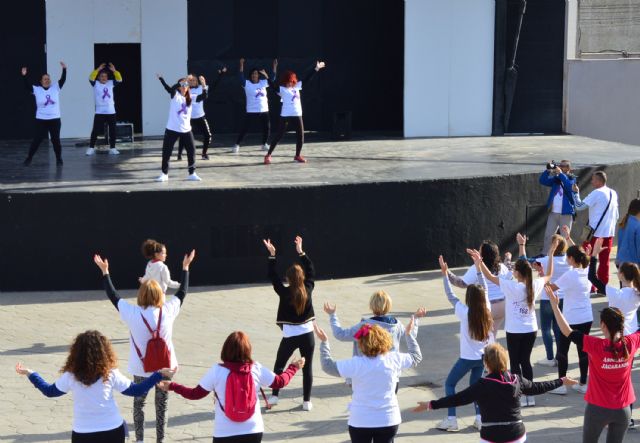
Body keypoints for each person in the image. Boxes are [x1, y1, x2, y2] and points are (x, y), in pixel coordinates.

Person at [93, 249, 195, 443]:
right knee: (162, 405)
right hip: (166, 367)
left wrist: (105, 272)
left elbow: (113, 296)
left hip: (141, 367)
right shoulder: (168, 310)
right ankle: (160, 440)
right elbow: (183, 292)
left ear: (141, 295)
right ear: (159, 294)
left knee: (139, 403)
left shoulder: (132, 313)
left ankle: (139, 440)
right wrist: (185, 267)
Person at [15, 330, 174, 443]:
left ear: (76, 353)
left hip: (83, 433)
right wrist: (158, 374)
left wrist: (31, 374)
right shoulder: (110, 374)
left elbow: (49, 391)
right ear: (104, 352)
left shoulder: (71, 376)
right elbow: (136, 390)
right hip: (113, 430)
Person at [158, 331, 305, 443]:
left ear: (225, 349)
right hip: (253, 430)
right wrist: (293, 367)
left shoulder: (217, 370)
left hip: (224, 432)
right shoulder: (256, 369)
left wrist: (173, 386)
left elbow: (195, 394)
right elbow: (280, 382)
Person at [413, 342, 576, 443]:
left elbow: (458, 399)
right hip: (517, 435)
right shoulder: (516, 379)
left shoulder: (482, 385)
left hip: (492, 436)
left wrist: (430, 405)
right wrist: (561, 381)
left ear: (487, 363)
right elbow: (539, 387)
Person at [471, 238, 556, 407]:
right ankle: (530, 396)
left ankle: (518, 395)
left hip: (514, 330)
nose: (513, 271)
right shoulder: (535, 284)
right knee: (526, 361)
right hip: (530, 330)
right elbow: (549, 275)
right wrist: (551, 253)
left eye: (515, 269)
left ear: (518, 273)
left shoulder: (511, 286)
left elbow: (490, 276)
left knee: (515, 363)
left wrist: (479, 263)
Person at [547, 287, 640, 443]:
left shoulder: (594, 345)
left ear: (603, 325)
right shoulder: (631, 343)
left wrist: (555, 306)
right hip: (623, 409)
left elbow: (567, 331)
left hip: (597, 409)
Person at [317, 320, 422, 443]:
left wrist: (324, 343)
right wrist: (409, 335)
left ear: (361, 344)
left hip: (361, 420)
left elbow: (328, 366)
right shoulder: (394, 359)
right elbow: (416, 356)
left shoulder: (356, 364)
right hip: (388, 419)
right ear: (385, 340)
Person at [436, 254, 494, 432]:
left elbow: (450, 295)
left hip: (467, 358)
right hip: (483, 357)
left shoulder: (465, 312)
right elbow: (484, 288)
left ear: (469, 298)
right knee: (475, 387)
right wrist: (478, 267)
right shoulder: (487, 308)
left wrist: (445, 274)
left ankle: (452, 419)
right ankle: (479, 418)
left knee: (450, 384)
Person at [262, 236, 315, 410]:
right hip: (308, 335)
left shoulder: (284, 293)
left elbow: (273, 276)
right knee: (307, 368)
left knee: (279, 365)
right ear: (302, 278)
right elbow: (311, 269)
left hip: (290, 336)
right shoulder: (308, 288)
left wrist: (272, 255)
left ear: (289, 279)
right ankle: (307, 402)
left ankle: (275, 396)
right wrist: (301, 252)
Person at [324, 290, 426, 365]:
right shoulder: (397, 325)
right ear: (388, 306)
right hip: (391, 373)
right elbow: (410, 335)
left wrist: (332, 315)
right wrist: (416, 318)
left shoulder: (365, 327)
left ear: (371, 306)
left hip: (366, 372)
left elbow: (340, 335)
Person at [545, 244, 592, 395]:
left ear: (571, 258)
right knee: (583, 351)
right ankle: (583, 383)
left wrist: (543, 275)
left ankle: (561, 385)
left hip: (571, 319)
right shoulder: (587, 270)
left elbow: (550, 288)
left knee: (563, 351)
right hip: (587, 317)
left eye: (567, 256)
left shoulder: (570, 275)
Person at [264, 60, 326, 165]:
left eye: (291, 81)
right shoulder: (282, 89)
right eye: (287, 81)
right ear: (284, 81)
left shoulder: (297, 87)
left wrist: (316, 69)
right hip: (286, 115)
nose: (289, 83)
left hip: (297, 114)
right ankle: (268, 155)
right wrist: (267, 77)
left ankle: (297, 155)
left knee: (301, 135)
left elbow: (307, 79)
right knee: (279, 135)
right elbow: (273, 86)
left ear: (293, 80)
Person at [446, 240, 511, 337]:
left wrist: (446, 272)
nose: (478, 251)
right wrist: (508, 258)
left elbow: (461, 283)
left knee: (484, 337)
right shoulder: (501, 267)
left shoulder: (476, 268)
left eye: (480, 250)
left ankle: (489, 351)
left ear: (482, 254)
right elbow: (509, 273)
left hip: (488, 308)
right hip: (502, 307)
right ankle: (493, 351)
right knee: (492, 335)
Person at [531, 231, 571, 367]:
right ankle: (560, 357)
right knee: (558, 327)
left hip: (547, 297)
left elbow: (527, 261)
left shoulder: (545, 260)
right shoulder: (569, 260)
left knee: (546, 328)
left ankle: (549, 358)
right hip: (563, 298)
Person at [575, 171, 619, 287]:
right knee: (604, 261)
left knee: (587, 258)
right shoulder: (613, 193)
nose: (591, 181)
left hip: (595, 234)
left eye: (593, 179)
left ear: (599, 181)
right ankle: (602, 286)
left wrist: (576, 193)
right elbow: (617, 215)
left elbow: (579, 207)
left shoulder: (597, 193)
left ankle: (590, 286)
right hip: (609, 233)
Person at [588, 238, 640, 335]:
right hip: (633, 336)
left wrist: (594, 255)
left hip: (618, 337)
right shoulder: (637, 293)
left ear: (621, 275)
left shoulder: (615, 293)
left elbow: (592, 277)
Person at [155, 74, 200, 182]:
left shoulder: (191, 98)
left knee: (191, 151)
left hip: (186, 130)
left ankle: (192, 173)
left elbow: (204, 96)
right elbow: (170, 88)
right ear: (179, 87)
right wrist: (183, 80)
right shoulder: (175, 96)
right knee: (167, 152)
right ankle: (164, 174)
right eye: (182, 85)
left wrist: (203, 85)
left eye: (186, 85)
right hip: (172, 129)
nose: (184, 86)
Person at [21, 62, 67, 166]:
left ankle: (59, 159)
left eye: (48, 78)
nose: (47, 80)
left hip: (55, 119)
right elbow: (27, 86)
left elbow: (63, 80)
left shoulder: (55, 87)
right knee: (37, 140)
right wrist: (24, 76)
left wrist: (64, 70)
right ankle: (29, 158)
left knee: (56, 141)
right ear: (41, 81)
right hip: (41, 120)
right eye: (45, 79)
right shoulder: (37, 90)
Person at [177, 68, 227, 161]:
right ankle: (179, 154)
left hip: (200, 116)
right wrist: (186, 79)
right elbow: (177, 86)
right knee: (183, 136)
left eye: (195, 80)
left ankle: (204, 153)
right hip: (188, 118)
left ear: (197, 82)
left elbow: (214, 86)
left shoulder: (201, 88)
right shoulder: (185, 89)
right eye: (191, 80)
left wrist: (221, 75)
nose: (193, 82)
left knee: (208, 135)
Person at [232, 58, 277, 154]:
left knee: (267, 128)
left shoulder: (263, 83)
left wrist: (274, 67)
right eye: (253, 74)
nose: (254, 75)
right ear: (251, 76)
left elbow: (272, 78)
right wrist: (241, 64)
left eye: (256, 74)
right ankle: (237, 144)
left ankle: (264, 144)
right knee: (245, 129)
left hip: (264, 110)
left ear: (258, 75)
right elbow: (240, 77)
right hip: (251, 111)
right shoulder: (247, 83)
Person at [539, 160, 578, 254]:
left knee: (565, 237)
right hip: (553, 212)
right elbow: (542, 181)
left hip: (566, 213)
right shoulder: (556, 179)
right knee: (549, 235)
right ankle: (545, 255)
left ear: (568, 168)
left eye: (563, 166)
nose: (560, 167)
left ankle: (566, 257)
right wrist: (548, 170)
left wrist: (560, 174)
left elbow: (569, 186)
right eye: (560, 165)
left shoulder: (572, 178)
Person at [86, 62, 122, 156]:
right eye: (102, 76)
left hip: (111, 111)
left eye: (105, 76)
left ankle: (113, 148)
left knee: (113, 130)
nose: (104, 78)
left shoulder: (111, 83)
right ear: (99, 77)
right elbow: (90, 78)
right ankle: (91, 148)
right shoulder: (95, 84)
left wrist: (114, 71)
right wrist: (97, 70)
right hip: (100, 111)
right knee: (95, 130)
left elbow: (119, 79)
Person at [616, 198, 640, 266]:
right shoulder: (638, 226)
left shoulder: (624, 222)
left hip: (621, 262)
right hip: (633, 266)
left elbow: (620, 244)